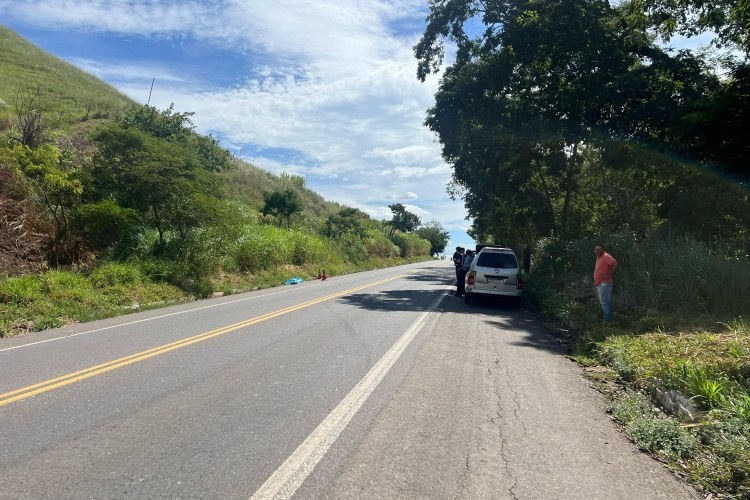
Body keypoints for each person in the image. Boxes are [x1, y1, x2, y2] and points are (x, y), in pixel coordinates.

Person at [593, 243, 618, 322]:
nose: (598, 251)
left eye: (599, 249)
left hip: (605, 282)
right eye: (596, 249)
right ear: (594, 250)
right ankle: (608, 316)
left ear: (603, 250)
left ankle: (607, 318)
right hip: (599, 282)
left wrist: (609, 273)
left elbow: (615, 263)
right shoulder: (598, 257)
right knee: (605, 301)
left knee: (604, 301)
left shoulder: (606, 256)